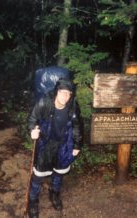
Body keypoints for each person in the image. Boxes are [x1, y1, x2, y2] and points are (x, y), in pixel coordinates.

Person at [27, 78, 83, 218]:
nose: (65, 96)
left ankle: (54, 193)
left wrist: (77, 144)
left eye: (68, 93)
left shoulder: (72, 105)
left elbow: (78, 125)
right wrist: (32, 130)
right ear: (56, 92)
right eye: (62, 92)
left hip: (64, 143)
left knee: (59, 171)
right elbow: (32, 119)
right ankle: (33, 201)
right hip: (45, 142)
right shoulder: (44, 102)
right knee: (38, 174)